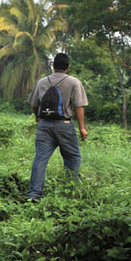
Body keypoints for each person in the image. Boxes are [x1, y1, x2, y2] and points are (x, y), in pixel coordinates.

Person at [26, 52, 88, 202]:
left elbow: (34, 104)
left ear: (53, 66)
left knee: (40, 159)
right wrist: (82, 128)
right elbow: (79, 106)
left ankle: (34, 195)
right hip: (65, 124)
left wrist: (37, 117)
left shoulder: (41, 82)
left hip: (44, 125)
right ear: (68, 67)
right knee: (72, 156)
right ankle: (73, 191)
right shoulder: (74, 82)